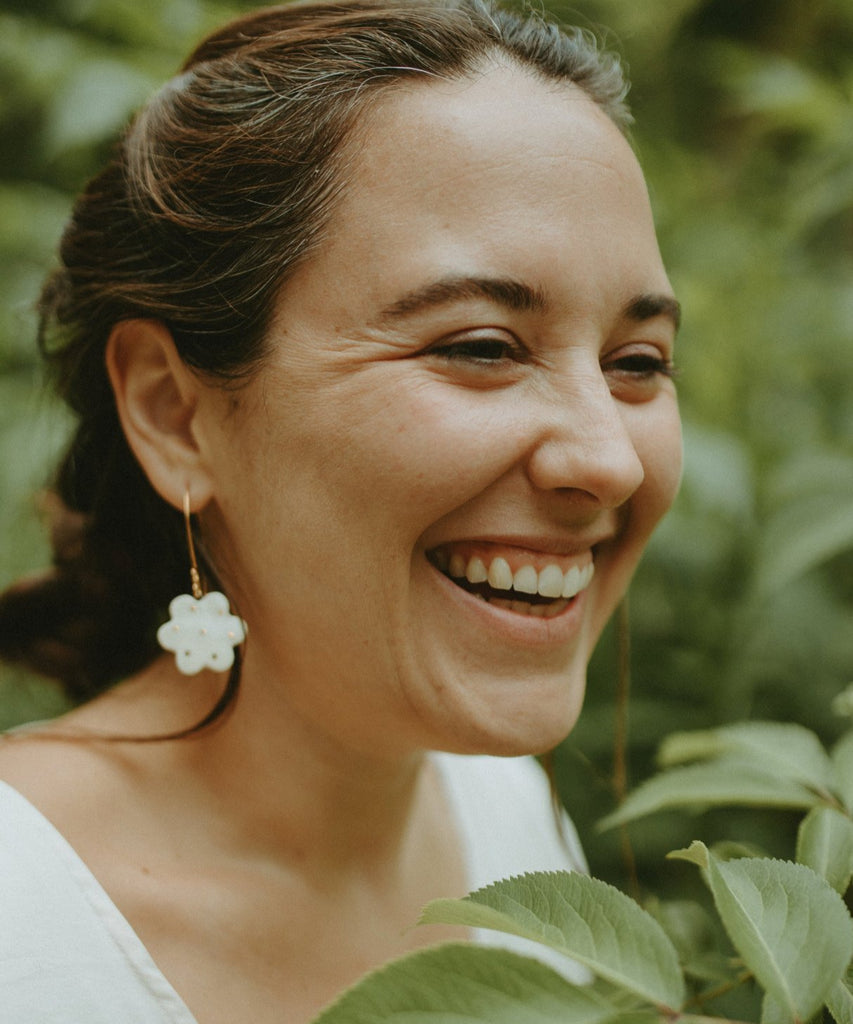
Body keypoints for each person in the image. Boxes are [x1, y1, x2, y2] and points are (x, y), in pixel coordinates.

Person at [0, 0, 683, 1019]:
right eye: (482, 347)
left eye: (637, 363)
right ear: (174, 411)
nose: (609, 459)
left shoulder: (505, 820)